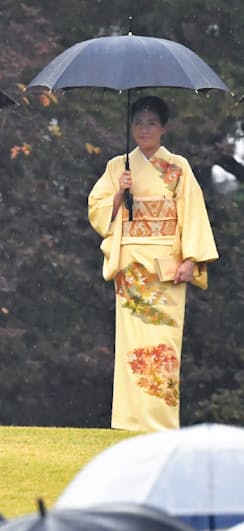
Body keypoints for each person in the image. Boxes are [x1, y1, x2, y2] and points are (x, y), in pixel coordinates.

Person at [88, 95, 218, 432]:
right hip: (132, 264)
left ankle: (160, 422)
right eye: (138, 122)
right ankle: (129, 420)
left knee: (164, 343)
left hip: (167, 265)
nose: (144, 129)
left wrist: (191, 258)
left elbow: (193, 212)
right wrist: (119, 193)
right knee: (132, 343)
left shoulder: (178, 168)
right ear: (131, 127)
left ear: (164, 127)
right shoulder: (118, 167)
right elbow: (97, 210)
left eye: (151, 122)